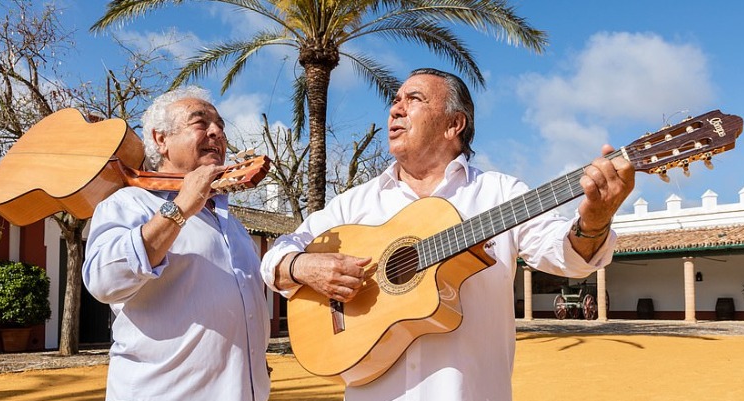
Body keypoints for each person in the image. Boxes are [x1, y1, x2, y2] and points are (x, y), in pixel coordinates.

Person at [260, 68, 635, 400]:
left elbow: (566, 256)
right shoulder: (352, 204)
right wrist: (303, 267)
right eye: (395, 101)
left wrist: (595, 221)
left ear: (454, 124)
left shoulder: (501, 194)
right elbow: (277, 256)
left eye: (414, 99)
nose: (396, 109)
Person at [83, 86, 270, 400]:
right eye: (201, 123)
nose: (217, 133)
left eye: (220, 126)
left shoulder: (235, 228)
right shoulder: (128, 204)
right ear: (161, 139)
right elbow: (103, 281)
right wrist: (181, 207)